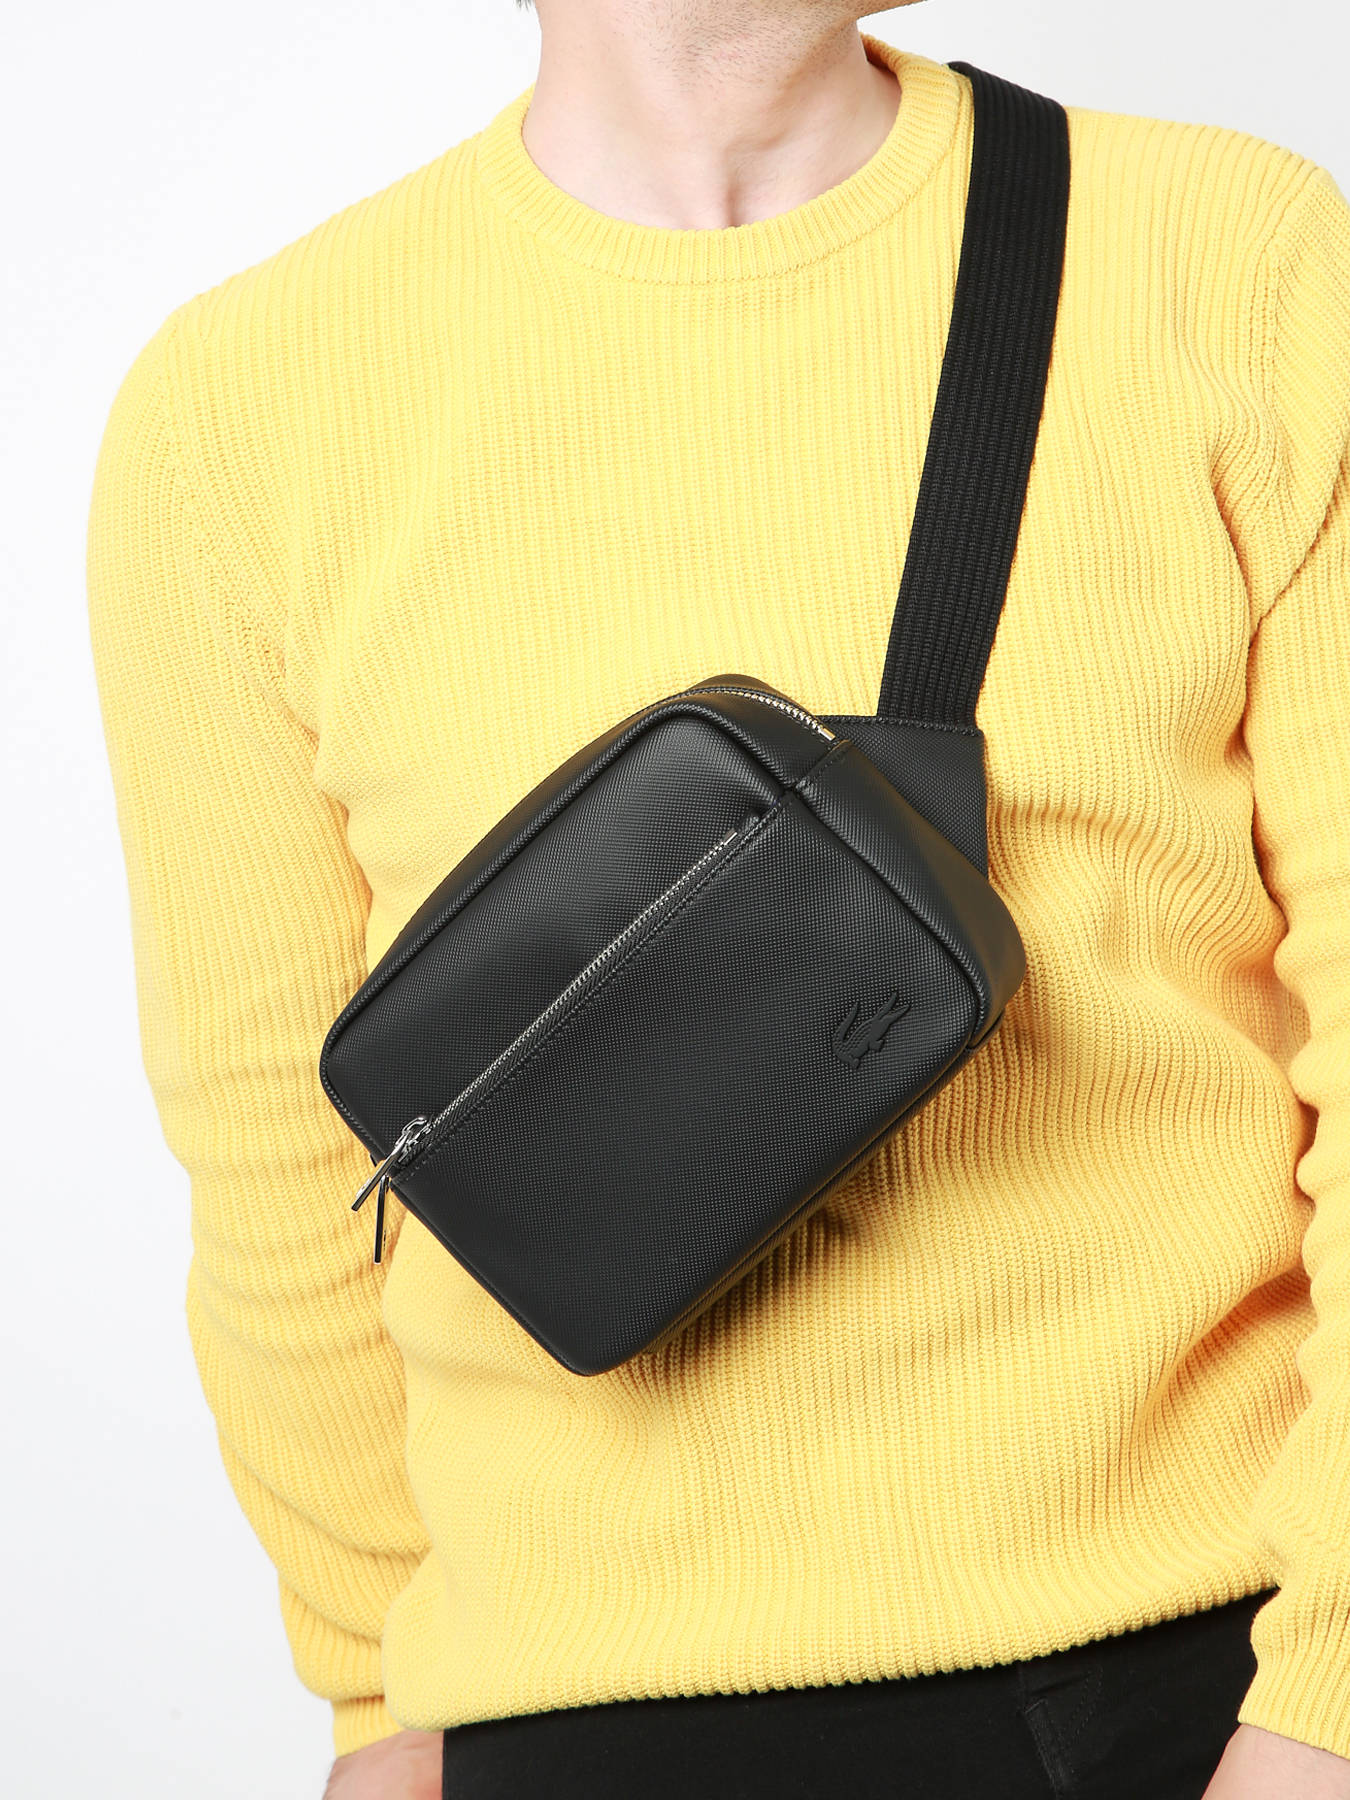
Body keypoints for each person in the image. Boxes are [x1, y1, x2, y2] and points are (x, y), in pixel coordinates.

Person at [85, 1, 1350, 1796]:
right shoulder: (237, 412)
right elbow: (282, 1151)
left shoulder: (1232, 260)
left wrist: (1327, 1701)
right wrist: (379, 1699)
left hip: (1202, 1674)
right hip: (575, 1717)